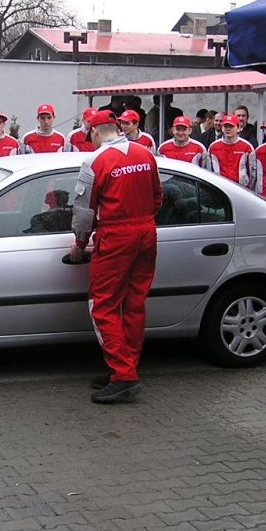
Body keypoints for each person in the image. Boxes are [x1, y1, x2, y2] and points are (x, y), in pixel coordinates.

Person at [69, 109, 162, 403]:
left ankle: (123, 375)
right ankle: (125, 368)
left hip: (117, 235)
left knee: (103, 305)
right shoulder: (145, 153)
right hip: (146, 231)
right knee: (134, 303)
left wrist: (79, 242)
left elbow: (84, 212)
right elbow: (158, 195)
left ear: (96, 132)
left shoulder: (94, 161)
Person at [207, 114, 254, 186]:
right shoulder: (213, 147)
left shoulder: (247, 147)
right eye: (225, 126)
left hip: (241, 188)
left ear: (238, 128)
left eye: (231, 126)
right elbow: (208, 170)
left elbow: (252, 173)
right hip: (219, 188)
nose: (228, 129)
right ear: (222, 128)